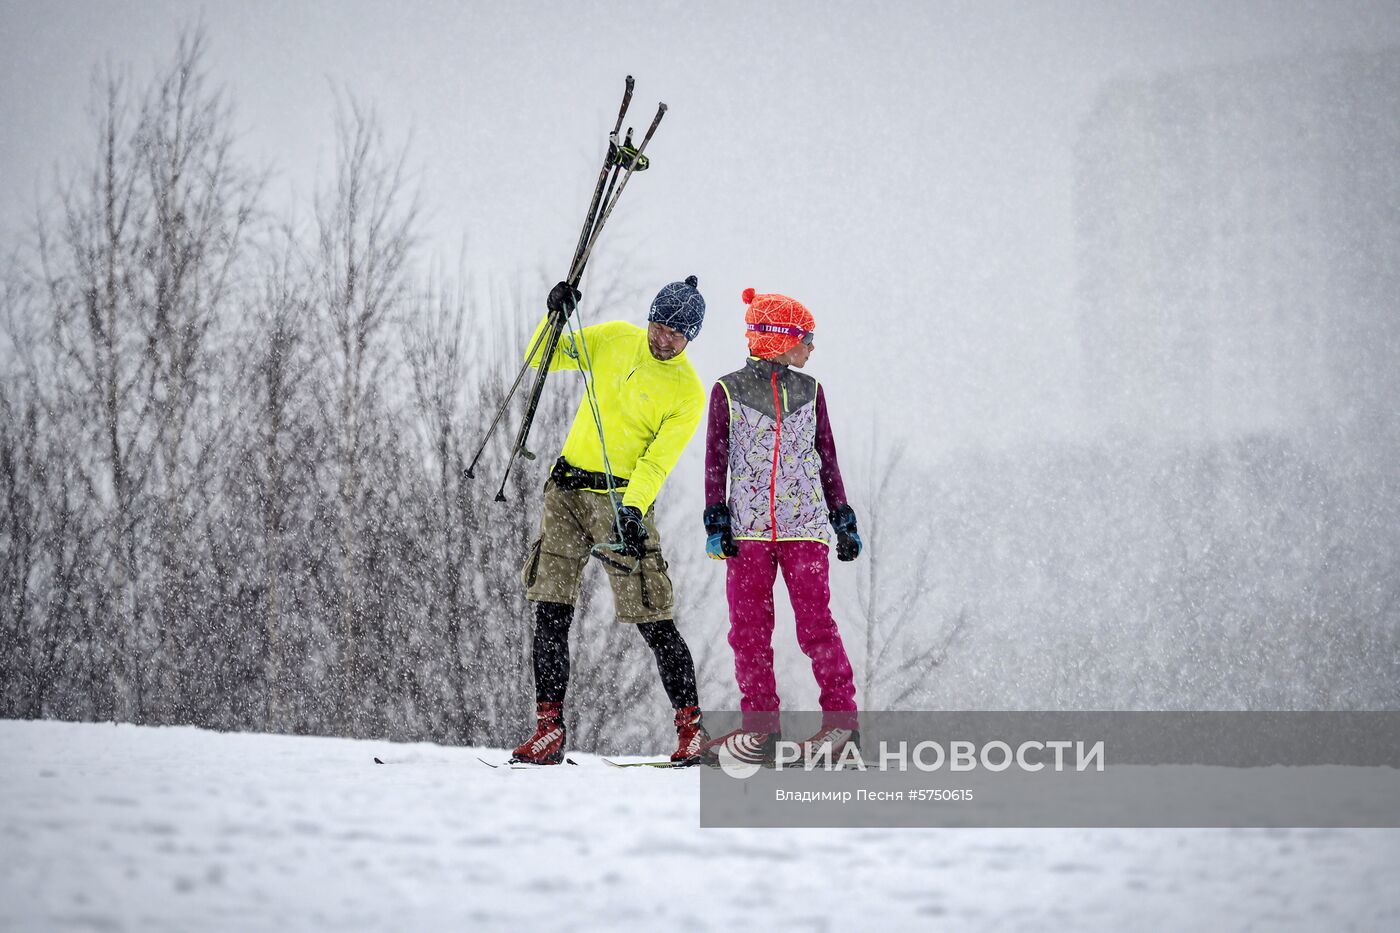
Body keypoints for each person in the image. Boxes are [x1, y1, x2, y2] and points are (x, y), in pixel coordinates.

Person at [511, 276, 711, 765]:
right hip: (565, 490)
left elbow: (657, 461)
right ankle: (549, 731)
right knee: (550, 610)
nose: (663, 339)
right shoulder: (615, 338)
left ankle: (691, 729)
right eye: (659, 325)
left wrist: (634, 507)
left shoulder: (687, 392)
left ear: (692, 338)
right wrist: (555, 314)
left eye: (676, 334)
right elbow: (542, 355)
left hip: (621, 503)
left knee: (653, 616)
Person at [701, 287, 863, 763]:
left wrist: (842, 518)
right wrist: (716, 518)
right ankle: (761, 732)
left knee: (816, 627)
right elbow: (716, 460)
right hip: (746, 532)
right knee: (748, 632)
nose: (812, 346)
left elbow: (826, 457)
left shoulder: (811, 391)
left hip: (805, 530)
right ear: (778, 338)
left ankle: (840, 726)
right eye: (806, 336)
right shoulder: (727, 390)